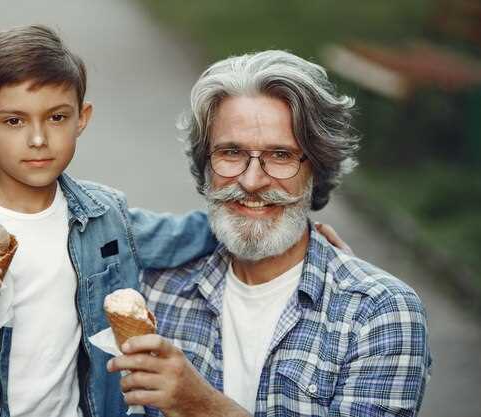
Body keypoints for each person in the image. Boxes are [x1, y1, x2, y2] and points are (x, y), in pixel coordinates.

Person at [0, 25, 221, 417]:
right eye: (14, 121)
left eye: (56, 117)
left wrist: (277, 218)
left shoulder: (106, 216)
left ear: (82, 118)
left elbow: (186, 235)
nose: (38, 139)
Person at [106, 51, 432, 417]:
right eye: (231, 152)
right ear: (205, 164)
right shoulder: (154, 291)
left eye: (280, 155)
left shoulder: (378, 313)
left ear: (318, 169)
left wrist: (200, 406)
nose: (251, 181)